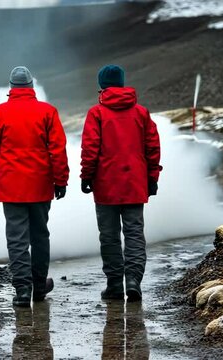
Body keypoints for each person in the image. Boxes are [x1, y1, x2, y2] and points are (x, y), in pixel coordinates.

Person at [0, 66, 69, 307]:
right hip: (41, 186)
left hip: (11, 187)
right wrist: (60, 181)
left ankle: (22, 290)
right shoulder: (47, 112)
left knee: (17, 239)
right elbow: (58, 151)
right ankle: (39, 287)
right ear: (31, 86)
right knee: (40, 235)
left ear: (11, 88)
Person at [80, 65, 162, 302]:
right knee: (135, 233)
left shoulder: (96, 113)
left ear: (102, 86)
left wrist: (87, 176)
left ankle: (115, 286)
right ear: (122, 83)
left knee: (109, 236)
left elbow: (90, 149)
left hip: (106, 185)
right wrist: (152, 178)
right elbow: (152, 148)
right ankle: (134, 280)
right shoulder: (141, 113)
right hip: (135, 183)